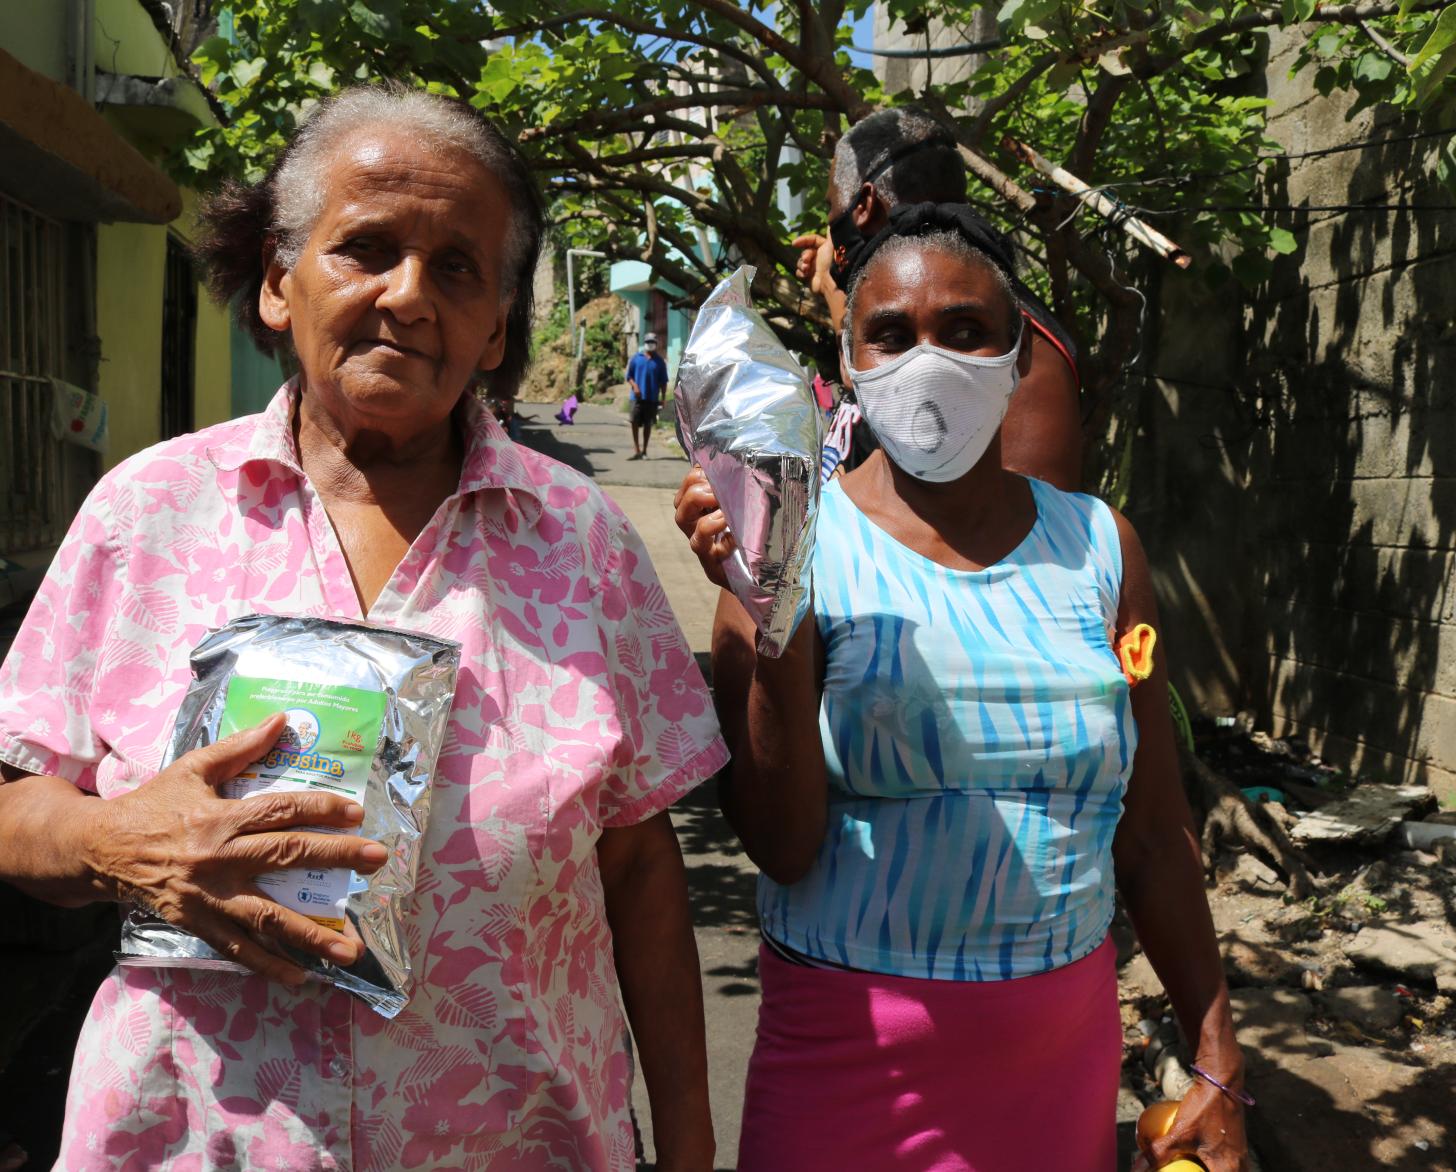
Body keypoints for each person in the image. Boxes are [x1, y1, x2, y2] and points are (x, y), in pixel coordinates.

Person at [0, 86, 726, 1172]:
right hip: (197, 1141)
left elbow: (636, 866)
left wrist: (691, 1145)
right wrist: (120, 843)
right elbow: (18, 806)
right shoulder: (148, 510)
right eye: (366, 247)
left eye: (458, 267)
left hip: (516, 1143)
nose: (409, 295)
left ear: (494, 329)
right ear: (280, 283)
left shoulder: (580, 538)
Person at [676, 205, 1248, 1172]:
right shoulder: (788, 548)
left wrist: (1217, 1052)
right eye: (891, 335)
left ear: (1019, 355)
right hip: (848, 1066)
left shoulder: (1105, 550)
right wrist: (772, 609)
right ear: (849, 363)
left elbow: (1153, 830)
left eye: (966, 331)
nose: (927, 359)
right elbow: (778, 846)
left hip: (1060, 1063)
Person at [794, 107, 1084, 491]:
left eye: (963, 333)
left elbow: (1030, 528)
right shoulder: (966, 331)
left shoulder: (1007, 346)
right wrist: (832, 285)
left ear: (862, 208)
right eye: (894, 336)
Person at [626, 331, 669, 460]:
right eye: (648, 342)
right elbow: (629, 376)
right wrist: (635, 386)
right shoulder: (636, 358)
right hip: (636, 398)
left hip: (652, 398)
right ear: (644, 343)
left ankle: (644, 451)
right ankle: (636, 449)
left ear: (656, 344)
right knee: (634, 421)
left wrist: (663, 398)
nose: (650, 344)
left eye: (653, 342)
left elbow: (663, 382)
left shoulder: (660, 362)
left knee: (648, 424)